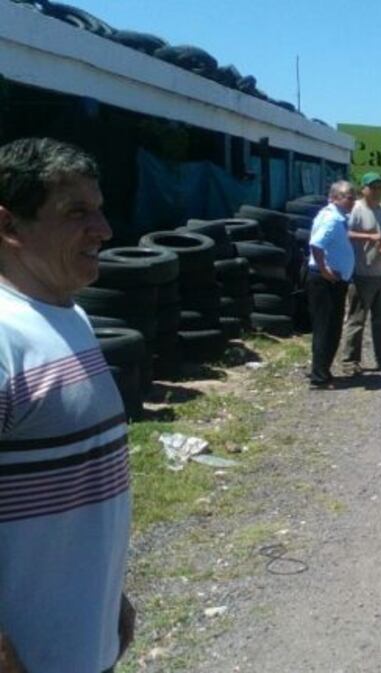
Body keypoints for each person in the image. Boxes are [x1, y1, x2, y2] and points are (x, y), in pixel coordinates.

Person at [0, 137, 135, 673]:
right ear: (10, 227)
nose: (102, 230)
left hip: (83, 644)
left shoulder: (68, 316)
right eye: (76, 212)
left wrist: (108, 601)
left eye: (99, 210)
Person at [339, 172, 381, 375]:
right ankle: (350, 361)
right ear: (363, 189)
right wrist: (369, 236)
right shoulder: (355, 209)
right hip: (361, 273)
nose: (377, 191)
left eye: (380, 187)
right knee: (357, 319)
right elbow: (345, 233)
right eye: (372, 187)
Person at [307, 180, 357, 388]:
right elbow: (317, 244)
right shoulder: (332, 220)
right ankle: (319, 376)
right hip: (325, 281)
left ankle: (323, 370)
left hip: (334, 280)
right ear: (335, 197)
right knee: (326, 329)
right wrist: (325, 270)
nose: (353, 201)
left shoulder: (336, 217)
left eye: (354, 197)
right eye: (348, 197)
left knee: (332, 327)